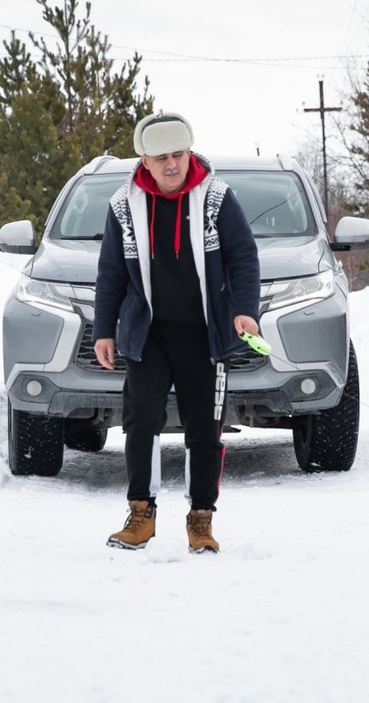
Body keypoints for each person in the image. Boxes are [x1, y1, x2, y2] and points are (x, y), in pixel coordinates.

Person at [93, 111, 261, 554]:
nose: (172, 165)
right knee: (141, 422)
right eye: (162, 157)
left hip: (204, 335)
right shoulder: (122, 206)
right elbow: (110, 274)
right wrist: (104, 330)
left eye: (179, 154)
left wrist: (245, 311)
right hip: (148, 335)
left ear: (189, 153)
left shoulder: (218, 199)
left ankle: (200, 519)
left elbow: (244, 258)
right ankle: (141, 515)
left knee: (205, 427)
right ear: (144, 160)